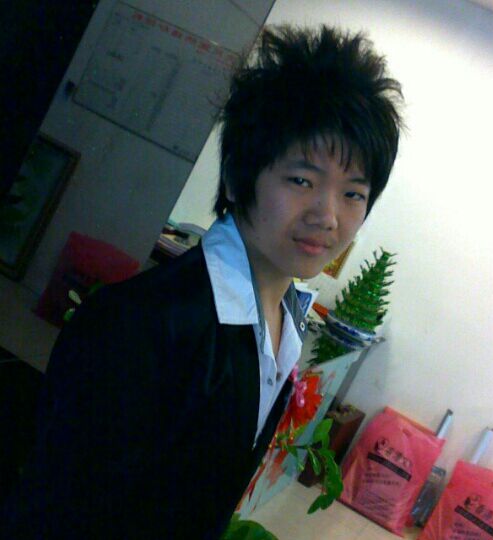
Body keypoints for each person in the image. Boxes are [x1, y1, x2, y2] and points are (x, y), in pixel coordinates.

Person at [1, 24, 403, 539]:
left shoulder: (284, 319)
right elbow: (58, 514)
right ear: (237, 177)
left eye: (353, 194)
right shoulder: (144, 324)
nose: (328, 216)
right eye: (302, 180)